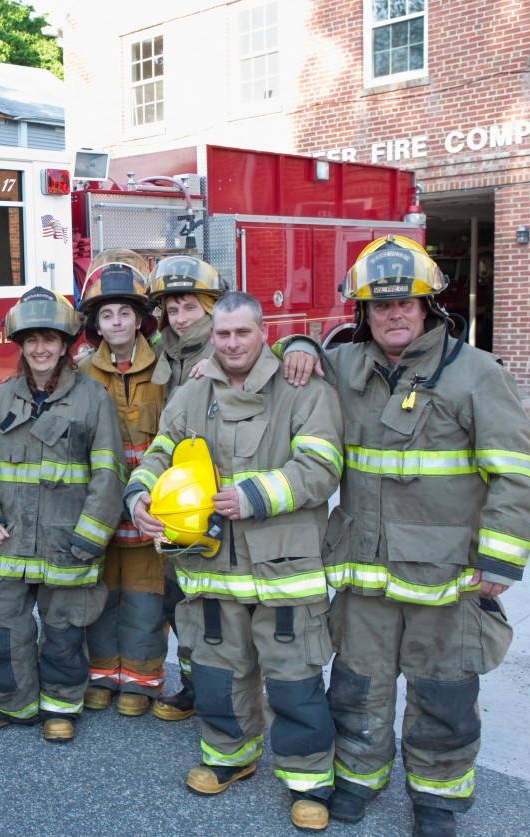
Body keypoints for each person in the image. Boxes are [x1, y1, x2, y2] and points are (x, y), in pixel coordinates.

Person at [280, 236, 530, 837]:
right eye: (380, 306)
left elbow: (518, 474)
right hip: (364, 572)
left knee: (443, 696)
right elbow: (280, 363)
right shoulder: (344, 364)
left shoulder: (476, 374)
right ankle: (359, 779)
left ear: (428, 307)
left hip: (446, 578)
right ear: (363, 313)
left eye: (406, 304)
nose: (394, 315)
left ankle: (437, 800)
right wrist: (297, 342)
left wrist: (503, 558)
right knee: (356, 687)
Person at [127, 291, 343, 831]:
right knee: (221, 672)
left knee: (294, 679)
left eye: (241, 333)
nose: (231, 343)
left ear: (262, 331)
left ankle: (308, 778)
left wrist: (254, 496)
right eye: (222, 334)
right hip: (213, 565)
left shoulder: (305, 388)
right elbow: (162, 449)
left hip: (283, 568)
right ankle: (229, 755)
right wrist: (139, 495)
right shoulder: (194, 390)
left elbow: (320, 468)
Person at [0, 288, 124, 742]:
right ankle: (13, 705)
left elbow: (109, 472)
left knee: (64, 631)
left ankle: (60, 708)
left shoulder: (93, 400)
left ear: (66, 342)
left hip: (66, 540)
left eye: (49, 338)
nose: (40, 348)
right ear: (19, 344)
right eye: (31, 340)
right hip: (5, 541)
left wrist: (91, 536)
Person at [74, 251, 168, 717]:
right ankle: (101, 674)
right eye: (107, 314)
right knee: (101, 592)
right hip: (102, 510)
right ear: (95, 323)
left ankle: (141, 679)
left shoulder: (168, 368)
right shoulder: (81, 374)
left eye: (125, 312)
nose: (116, 322)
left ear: (140, 319)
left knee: (145, 598)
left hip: (150, 510)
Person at [146, 254, 226, 722]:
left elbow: (277, 355)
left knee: (210, 602)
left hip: (212, 496)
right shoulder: (165, 350)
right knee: (179, 597)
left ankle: (219, 695)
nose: (180, 318)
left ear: (211, 308)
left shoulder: (225, 347)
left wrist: (304, 344)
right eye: (173, 310)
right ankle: (194, 686)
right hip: (175, 495)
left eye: (189, 308)